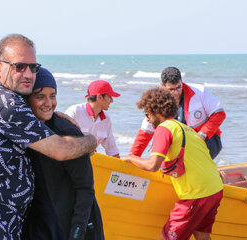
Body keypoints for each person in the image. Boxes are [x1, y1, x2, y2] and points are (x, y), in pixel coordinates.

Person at [0, 34, 97, 240]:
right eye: (19, 67)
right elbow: (61, 150)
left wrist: (50, 115)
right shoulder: (6, 103)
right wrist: (91, 140)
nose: (28, 74)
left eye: (33, 67)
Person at [122, 87, 223, 240]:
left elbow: (152, 165)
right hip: (215, 189)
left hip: (197, 193)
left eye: (147, 114)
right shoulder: (186, 129)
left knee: (167, 237)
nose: (147, 119)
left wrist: (130, 159)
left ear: (156, 111)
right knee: (201, 234)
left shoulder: (164, 129)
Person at [22, 68, 104, 240]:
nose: (48, 103)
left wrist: (77, 233)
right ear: (26, 99)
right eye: (40, 96)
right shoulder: (21, 130)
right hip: (43, 224)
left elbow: (85, 188)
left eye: (53, 95)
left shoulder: (66, 132)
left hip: (75, 226)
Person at [130, 67, 226, 160]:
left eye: (178, 87)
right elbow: (145, 133)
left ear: (181, 81)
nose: (176, 92)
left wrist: (202, 134)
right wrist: (132, 157)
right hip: (180, 144)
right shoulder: (157, 101)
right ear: (163, 86)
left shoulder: (200, 91)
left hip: (207, 139)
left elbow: (219, 114)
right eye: (171, 89)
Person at [65, 80, 120, 158]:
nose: (112, 101)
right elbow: (62, 140)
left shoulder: (106, 120)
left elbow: (112, 150)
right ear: (100, 97)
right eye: (110, 97)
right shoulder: (75, 112)